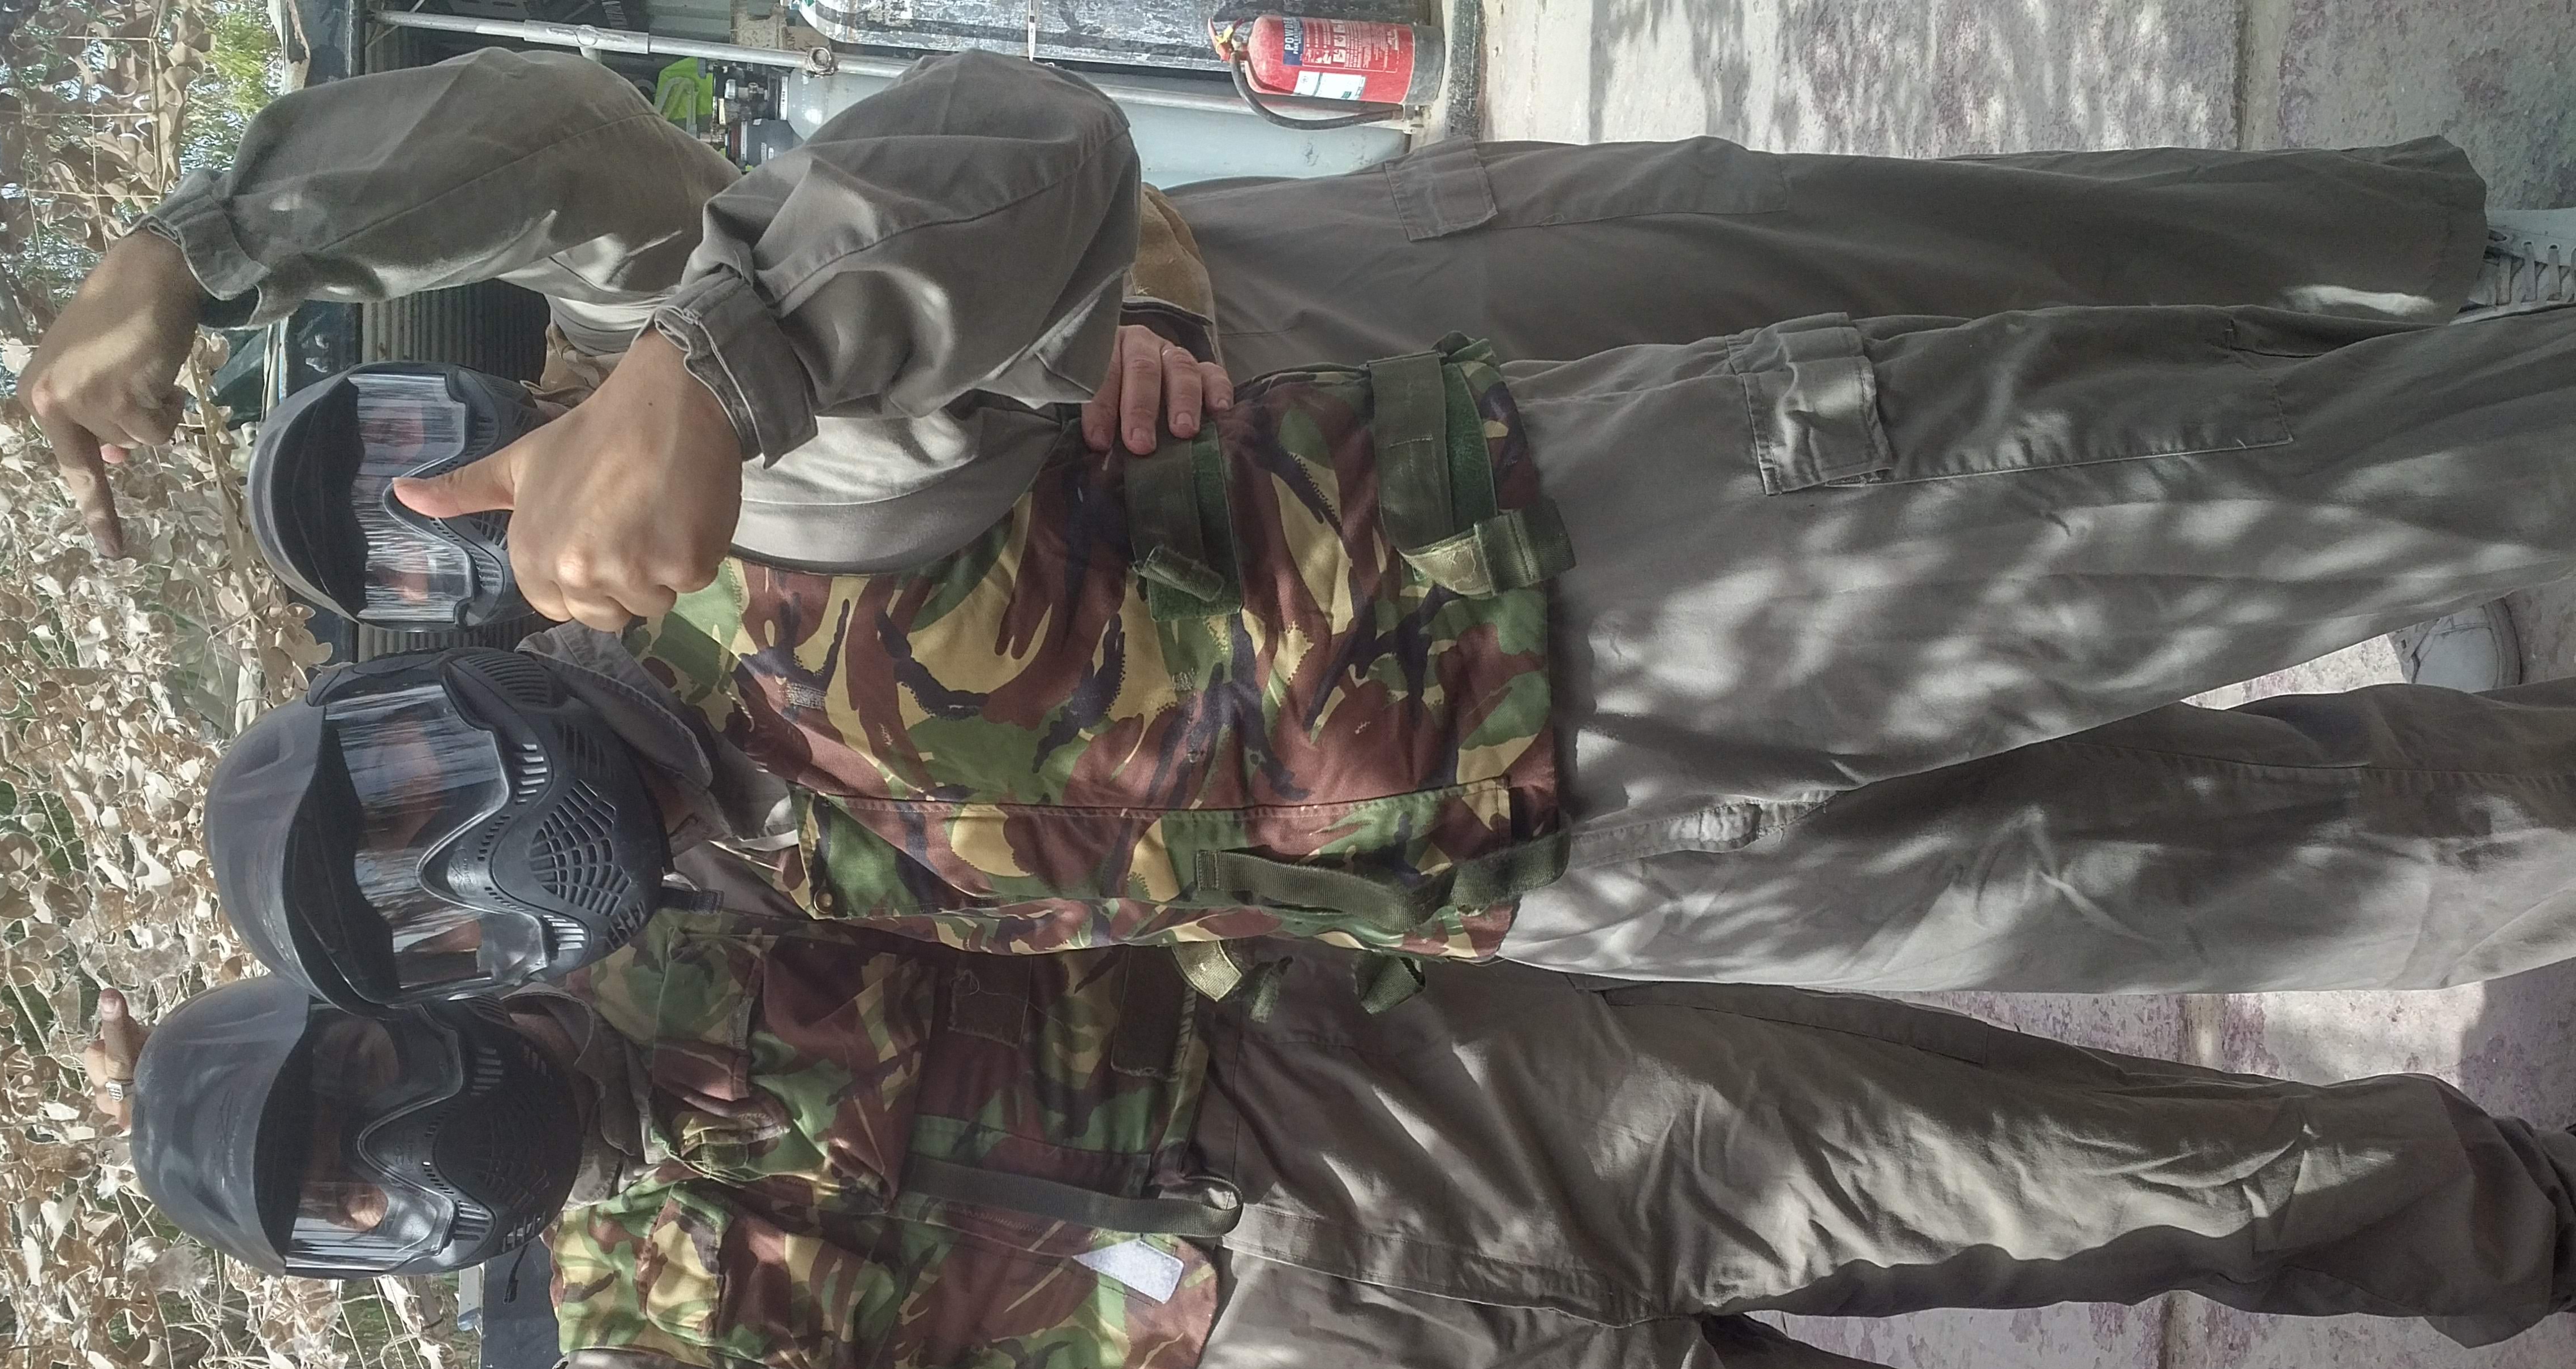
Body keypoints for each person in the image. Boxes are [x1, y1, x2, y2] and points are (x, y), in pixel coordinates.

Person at [191, 51, 2576, 1005]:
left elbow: (875, 157)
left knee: (1973, 328)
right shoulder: (754, 847)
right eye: (428, 912)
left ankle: (2436, 275)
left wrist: (217, 239)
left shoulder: (711, 472)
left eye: (402, 802)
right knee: (2159, 693)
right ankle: (2426, 437)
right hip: (1545, 844)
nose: (466, 869)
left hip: (1456, 472)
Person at [105, 910, 2576, 1369]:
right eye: (338, 1195)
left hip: (1430, 1091)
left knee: (2088, 1158)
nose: (393, 1160)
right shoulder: (643, 1356)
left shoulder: (673, 873)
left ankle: (2520, 1217)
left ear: (382, 996)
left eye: (352, 1089)